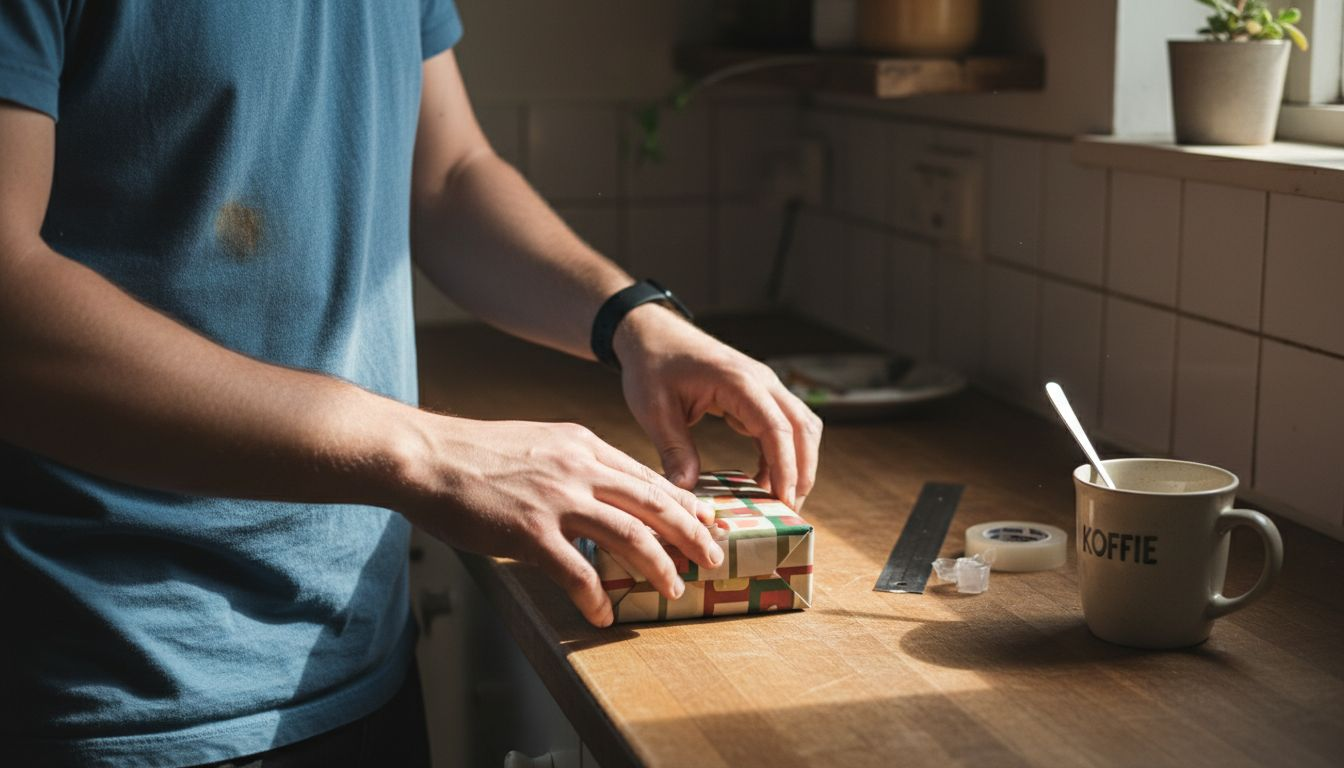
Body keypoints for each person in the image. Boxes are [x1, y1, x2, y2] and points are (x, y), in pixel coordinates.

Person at [0, 2, 822, 766]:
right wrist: (430, 453)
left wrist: (633, 320)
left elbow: (448, 176)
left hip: (360, 653)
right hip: (120, 687)